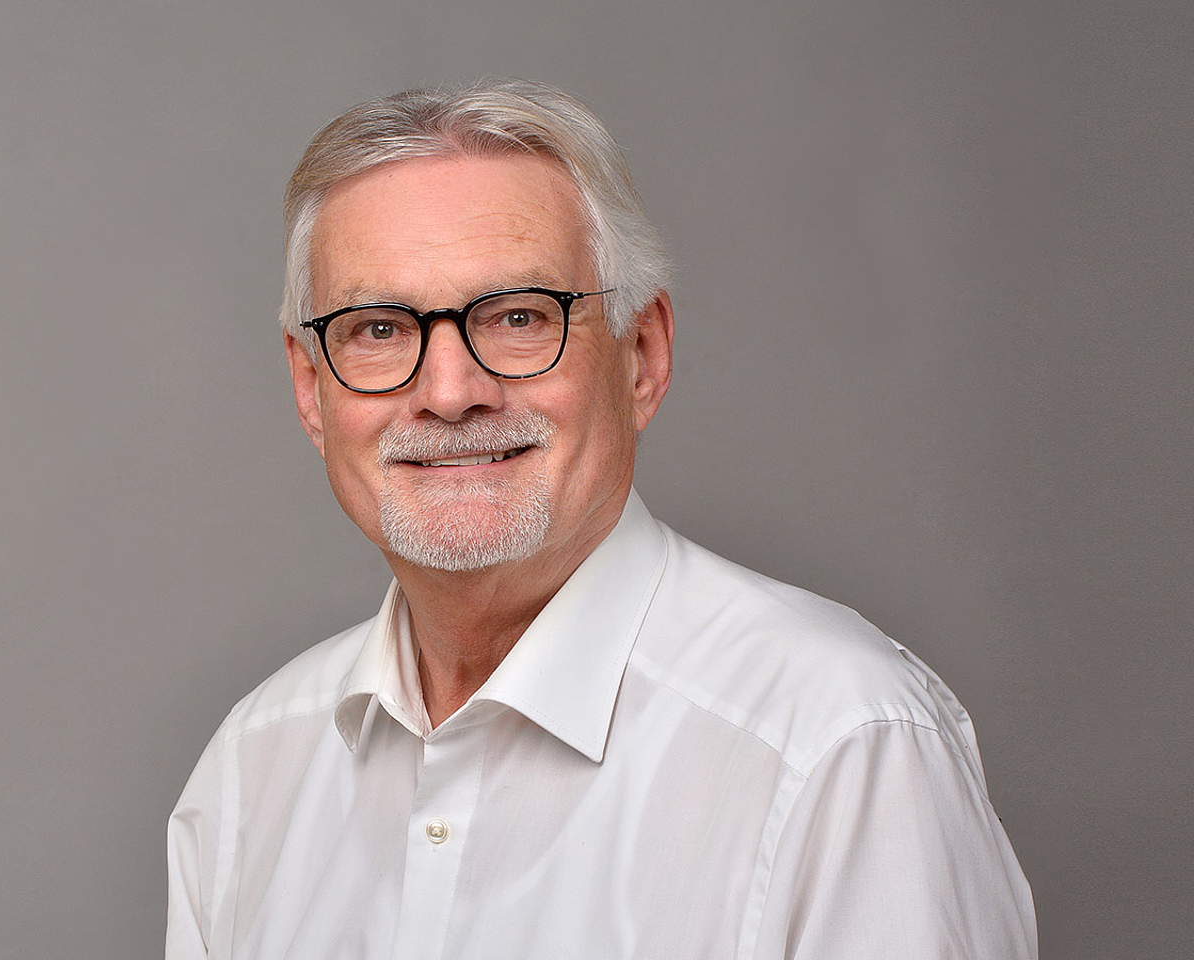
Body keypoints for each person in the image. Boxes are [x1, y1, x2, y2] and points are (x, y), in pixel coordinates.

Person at [165, 79, 1037, 959]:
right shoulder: (248, 774)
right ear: (310, 389)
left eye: (517, 317)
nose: (450, 392)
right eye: (379, 329)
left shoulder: (838, 747)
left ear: (642, 356)